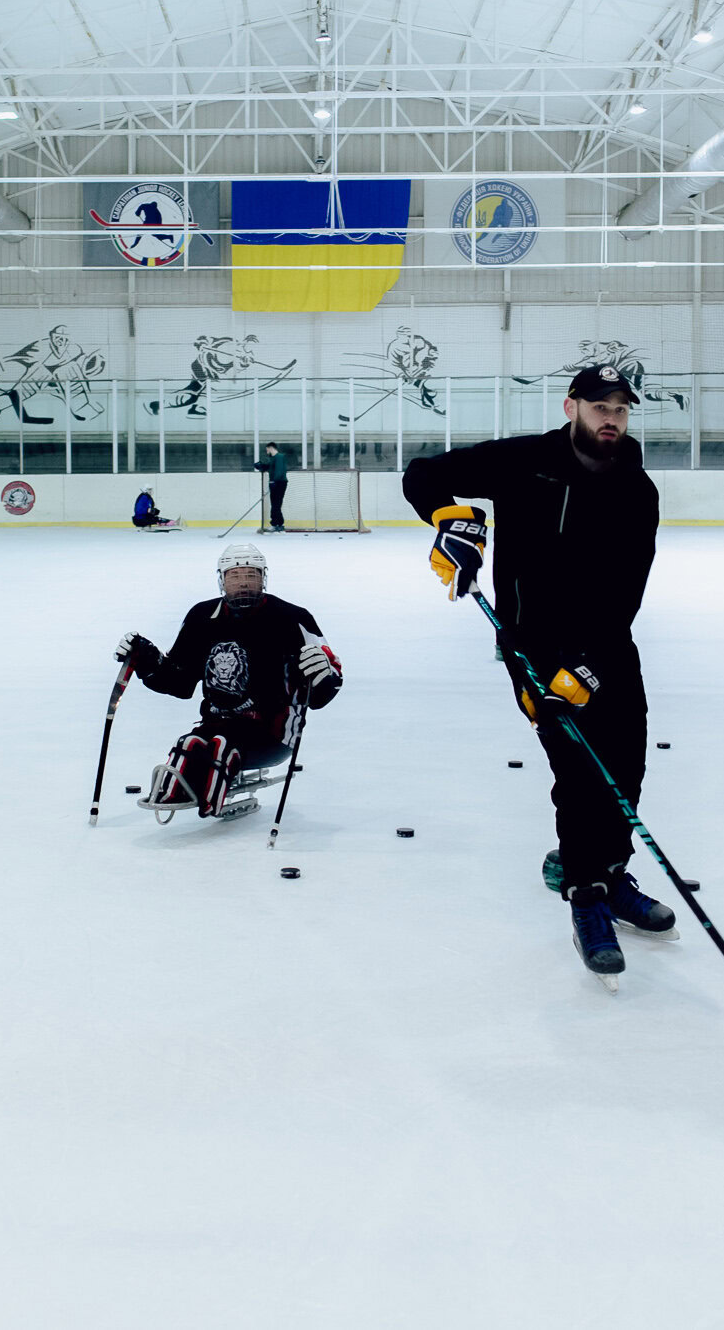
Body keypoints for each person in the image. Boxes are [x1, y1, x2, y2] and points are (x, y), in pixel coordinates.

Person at [402, 363, 673, 981]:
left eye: (622, 409)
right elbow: (423, 475)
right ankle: (585, 896)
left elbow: (629, 589)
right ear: (570, 406)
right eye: (600, 406)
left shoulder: (638, 488)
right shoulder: (525, 460)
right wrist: (449, 521)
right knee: (578, 771)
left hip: (607, 646)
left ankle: (611, 875)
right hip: (537, 650)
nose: (612, 418)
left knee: (625, 763)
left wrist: (590, 666)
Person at [114, 541, 342, 821]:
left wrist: (323, 676)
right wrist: (147, 661)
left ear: (264, 578)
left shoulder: (291, 618)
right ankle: (179, 788)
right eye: (235, 576)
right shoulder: (202, 617)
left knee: (222, 743)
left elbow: (323, 685)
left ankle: (209, 777)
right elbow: (180, 682)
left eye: (251, 575)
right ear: (222, 580)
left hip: (273, 731)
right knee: (191, 743)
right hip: (217, 723)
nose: (243, 583)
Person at [252, 442, 291, 532]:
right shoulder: (272, 458)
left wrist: (274, 481)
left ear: (270, 448)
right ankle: (278, 524)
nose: (267, 451)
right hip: (274, 483)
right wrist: (261, 466)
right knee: (274, 504)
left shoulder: (280, 457)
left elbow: (279, 470)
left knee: (276, 504)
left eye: (267, 449)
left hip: (280, 483)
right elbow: (269, 468)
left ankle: (276, 524)